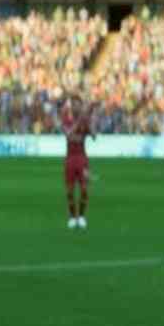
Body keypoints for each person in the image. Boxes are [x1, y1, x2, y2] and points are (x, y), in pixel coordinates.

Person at [62, 95, 95, 229]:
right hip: (70, 159)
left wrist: (89, 124)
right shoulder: (66, 119)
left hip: (82, 159)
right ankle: (72, 217)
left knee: (84, 190)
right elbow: (68, 135)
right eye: (74, 104)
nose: (76, 107)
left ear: (81, 106)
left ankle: (81, 216)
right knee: (70, 191)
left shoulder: (84, 121)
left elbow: (94, 136)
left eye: (78, 105)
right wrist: (79, 122)